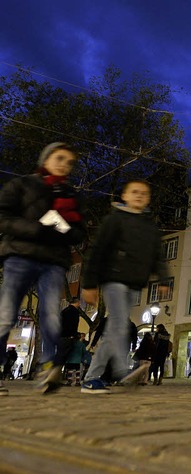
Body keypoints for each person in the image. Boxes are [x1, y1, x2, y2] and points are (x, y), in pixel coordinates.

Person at [0, 142, 86, 396]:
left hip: (54, 260)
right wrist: (36, 228)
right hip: (20, 254)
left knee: (50, 314)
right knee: (6, 313)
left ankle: (49, 367)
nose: (64, 164)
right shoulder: (22, 185)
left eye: (69, 162)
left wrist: (63, 228)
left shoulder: (71, 196)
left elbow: (78, 233)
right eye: (60, 158)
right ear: (46, 158)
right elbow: (2, 216)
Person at [80, 179, 169, 394]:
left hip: (134, 283)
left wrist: (164, 279)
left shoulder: (149, 225)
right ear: (125, 196)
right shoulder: (115, 220)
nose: (139, 195)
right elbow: (98, 251)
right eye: (134, 192)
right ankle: (122, 371)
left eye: (144, 193)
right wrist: (89, 284)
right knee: (118, 325)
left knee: (114, 330)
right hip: (114, 279)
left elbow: (157, 255)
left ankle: (92, 378)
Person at [54, 297, 81, 378]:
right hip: (68, 336)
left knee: (59, 355)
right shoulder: (74, 312)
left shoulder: (64, 311)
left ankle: (54, 374)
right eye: (79, 303)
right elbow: (73, 325)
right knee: (63, 356)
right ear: (77, 303)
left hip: (60, 336)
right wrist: (73, 335)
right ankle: (54, 375)